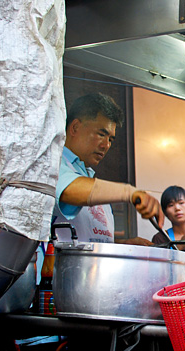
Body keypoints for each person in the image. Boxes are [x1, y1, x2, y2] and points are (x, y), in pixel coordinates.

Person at [53, 93, 163, 245]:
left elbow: (88, 240)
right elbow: (67, 189)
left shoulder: (90, 179)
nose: (106, 145)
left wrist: (124, 244)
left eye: (110, 139)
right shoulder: (54, 164)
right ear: (75, 127)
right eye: (101, 134)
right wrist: (128, 192)